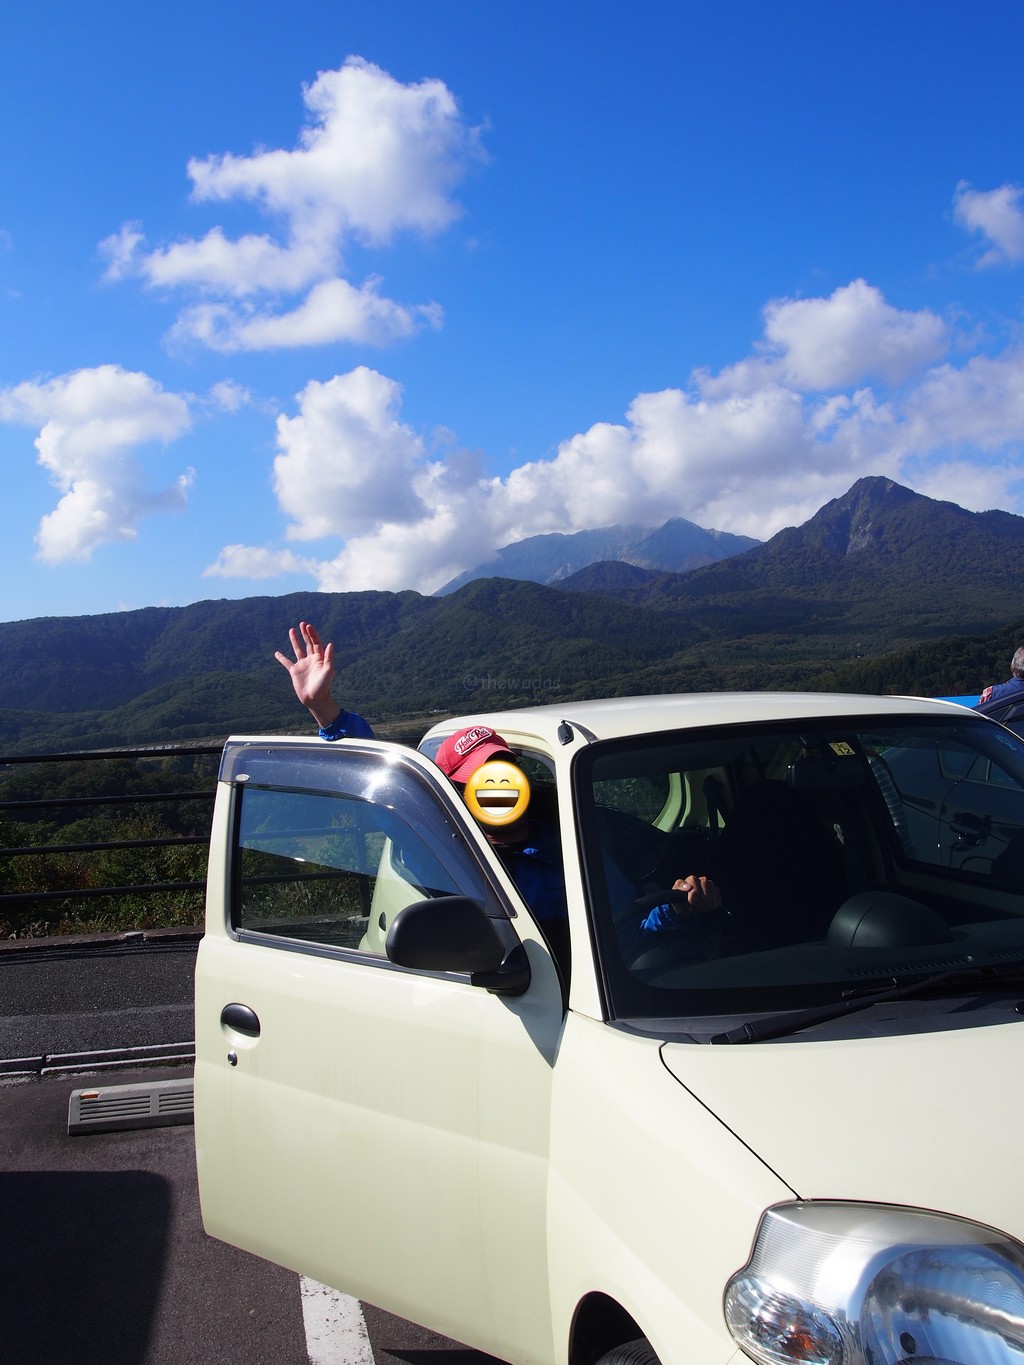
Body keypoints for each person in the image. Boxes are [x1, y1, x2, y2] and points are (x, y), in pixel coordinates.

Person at [275, 620, 721, 953]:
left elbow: (626, 933)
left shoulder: (576, 849)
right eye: (480, 781)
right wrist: (327, 713)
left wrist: (677, 910)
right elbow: (388, 790)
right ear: (455, 794)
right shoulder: (445, 855)